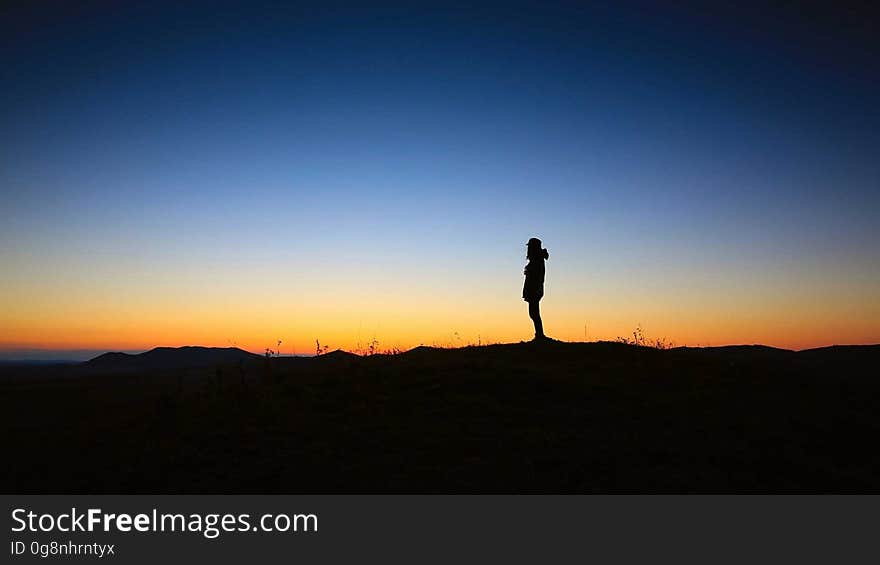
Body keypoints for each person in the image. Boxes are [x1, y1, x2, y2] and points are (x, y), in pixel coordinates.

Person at [523, 237, 549, 340]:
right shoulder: (536, 259)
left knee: (534, 313)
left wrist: (538, 288)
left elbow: (539, 276)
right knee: (533, 313)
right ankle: (539, 334)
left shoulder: (538, 260)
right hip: (533, 289)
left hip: (534, 289)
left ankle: (540, 335)